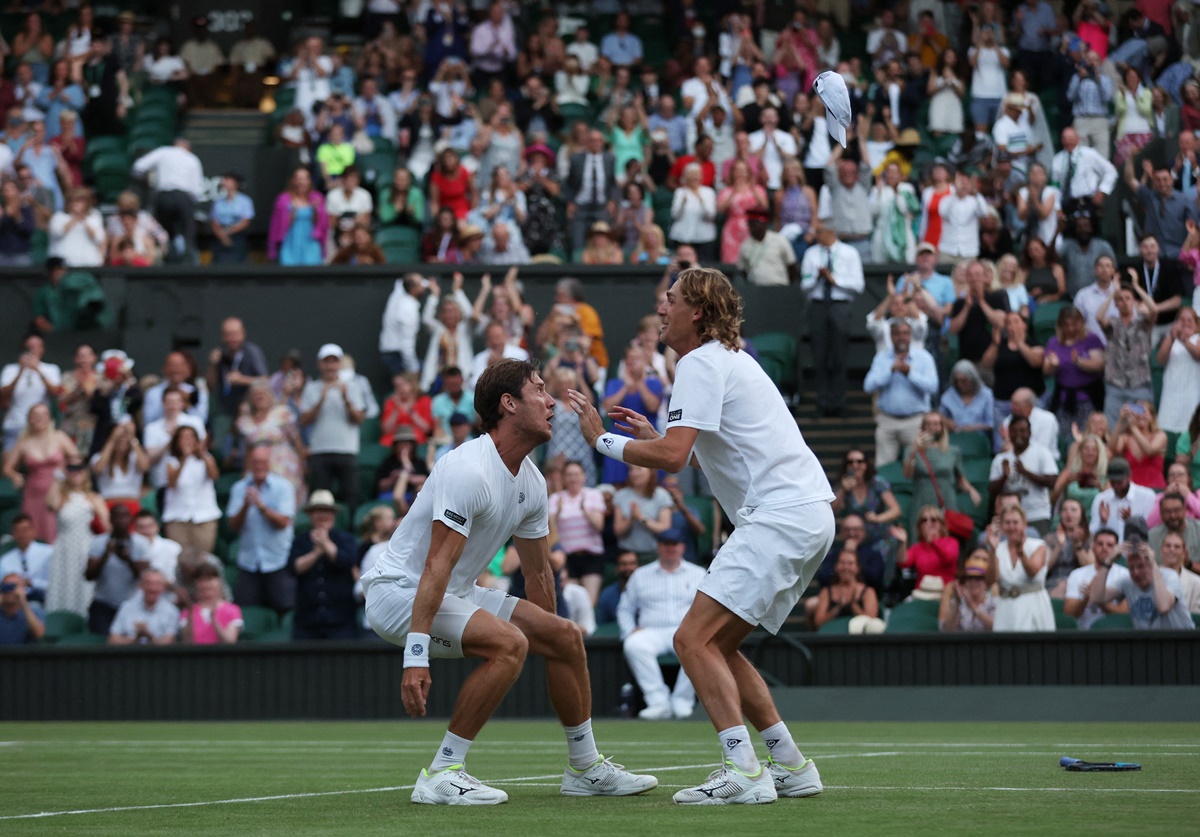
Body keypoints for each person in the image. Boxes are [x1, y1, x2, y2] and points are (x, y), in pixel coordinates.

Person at [569, 267, 833, 804]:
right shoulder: (721, 362)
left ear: (698, 313)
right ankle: (790, 765)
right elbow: (681, 452)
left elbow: (669, 459)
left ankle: (744, 771)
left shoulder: (698, 362)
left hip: (778, 516)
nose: (661, 310)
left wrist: (601, 442)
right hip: (805, 515)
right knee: (720, 646)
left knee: (690, 640)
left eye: (670, 301)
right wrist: (654, 435)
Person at [362, 359, 657, 803]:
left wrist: (552, 642)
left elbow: (538, 573)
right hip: (400, 595)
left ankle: (585, 769)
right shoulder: (468, 469)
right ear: (509, 404)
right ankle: (441, 773)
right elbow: (435, 567)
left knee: (566, 635)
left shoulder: (534, 483)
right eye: (540, 390)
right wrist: (415, 656)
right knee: (508, 642)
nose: (552, 400)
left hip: (452, 593)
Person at [618, 524, 706, 719]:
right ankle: (657, 702)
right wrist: (629, 630)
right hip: (651, 631)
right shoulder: (640, 575)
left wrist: (699, 629)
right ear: (658, 546)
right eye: (666, 544)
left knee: (699, 647)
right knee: (633, 644)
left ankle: (683, 700)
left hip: (686, 630)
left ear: (682, 547)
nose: (670, 548)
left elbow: (706, 608)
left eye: (675, 544)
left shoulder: (698, 573)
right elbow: (625, 608)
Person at [801, 222, 864, 419]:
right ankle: (821, 403)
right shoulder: (811, 253)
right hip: (818, 305)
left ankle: (838, 403)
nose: (816, 235)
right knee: (819, 356)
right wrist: (819, 279)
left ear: (831, 231)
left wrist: (835, 280)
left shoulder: (849, 253)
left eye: (819, 231)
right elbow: (804, 284)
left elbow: (858, 285)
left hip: (840, 305)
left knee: (839, 355)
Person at [228, 442, 297, 614]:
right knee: (245, 613)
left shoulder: (284, 487)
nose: (259, 466)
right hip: (249, 561)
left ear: (270, 463)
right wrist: (245, 506)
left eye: (263, 461)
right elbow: (233, 526)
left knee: (285, 609)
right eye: (255, 461)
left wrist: (260, 505)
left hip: (278, 560)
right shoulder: (239, 488)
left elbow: (283, 522)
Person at [864, 321, 939, 467]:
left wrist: (910, 373)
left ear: (910, 336)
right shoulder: (882, 358)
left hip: (915, 421)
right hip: (887, 421)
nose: (901, 337)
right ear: (891, 337)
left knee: (917, 466)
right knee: (884, 468)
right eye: (897, 334)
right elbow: (868, 386)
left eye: (905, 333)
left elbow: (933, 387)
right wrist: (890, 371)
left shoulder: (924, 357)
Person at [299, 344, 365, 510]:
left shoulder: (353, 387)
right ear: (319, 364)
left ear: (339, 364)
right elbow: (305, 420)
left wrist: (346, 399)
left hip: (346, 450)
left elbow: (358, 419)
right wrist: (320, 400)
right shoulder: (312, 388)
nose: (330, 366)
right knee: (320, 498)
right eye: (326, 362)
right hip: (320, 451)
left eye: (334, 362)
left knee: (350, 496)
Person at [1089, 529, 1195, 630]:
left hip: (1181, 642)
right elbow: (1095, 598)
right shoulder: (1127, 581)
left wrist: (1153, 563)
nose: (1136, 572)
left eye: (1140, 566)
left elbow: (1164, 606)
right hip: (1148, 644)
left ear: (1150, 564)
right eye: (1131, 568)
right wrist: (1108, 561)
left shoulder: (1169, 576)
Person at [3, 402, 78, 542]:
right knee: (34, 534)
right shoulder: (24, 441)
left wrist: (63, 472)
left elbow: (76, 459)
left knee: (56, 532)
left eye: (44, 414)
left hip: (58, 491)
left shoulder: (59, 436)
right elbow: (7, 467)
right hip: (33, 494)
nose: (40, 418)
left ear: (49, 418)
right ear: (29, 418)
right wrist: (15, 475)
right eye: (35, 415)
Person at [288, 490, 358, 640]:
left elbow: (347, 562)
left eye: (327, 510)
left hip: (341, 621)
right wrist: (317, 552)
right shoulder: (301, 541)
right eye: (318, 510)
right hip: (307, 622)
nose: (323, 515)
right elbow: (294, 568)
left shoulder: (345, 539)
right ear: (311, 514)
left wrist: (326, 543)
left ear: (333, 514)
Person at [904, 412, 980, 532]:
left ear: (942, 427)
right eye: (928, 424)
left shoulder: (953, 451)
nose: (932, 428)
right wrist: (914, 449)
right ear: (922, 427)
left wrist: (971, 490)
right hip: (922, 501)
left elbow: (960, 479)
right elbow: (907, 474)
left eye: (935, 424)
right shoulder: (912, 450)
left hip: (946, 501)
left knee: (947, 540)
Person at [131, 139, 204, 263]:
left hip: (163, 198)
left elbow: (138, 167)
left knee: (162, 232)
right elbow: (197, 191)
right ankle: (189, 262)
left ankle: (164, 260)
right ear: (188, 148)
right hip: (183, 198)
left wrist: (145, 182)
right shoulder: (193, 159)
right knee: (188, 231)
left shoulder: (164, 152)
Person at [1098, 277, 1158, 427]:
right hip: (1115, 387)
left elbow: (1154, 310)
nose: (1124, 302)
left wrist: (1136, 287)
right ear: (1116, 304)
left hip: (1140, 387)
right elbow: (1099, 317)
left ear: (1134, 302)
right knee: (1113, 430)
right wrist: (1113, 293)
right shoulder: (1112, 324)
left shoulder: (1143, 324)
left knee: (1142, 429)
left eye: (1128, 298)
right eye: (1120, 299)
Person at [84, 503, 150, 635]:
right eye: (117, 516)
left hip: (131, 604)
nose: (121, 520)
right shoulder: (98, 542)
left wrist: (129, 560)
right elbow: (88, 576)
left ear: (130, 519)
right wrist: (105, 555)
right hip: (103, 603)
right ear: (110, 519)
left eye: (124, 516)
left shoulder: (141, 543)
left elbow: (143, 577)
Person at [987, 503, 1053, 631]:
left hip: (1034, 605)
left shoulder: (1038, 546)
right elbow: (991, 579)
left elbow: (1032, 572)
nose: (1011, 527)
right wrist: (992, 550)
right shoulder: (998, 549)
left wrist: (1021, 552)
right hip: (1006, 608)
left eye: (1015, 522)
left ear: (1024, 523)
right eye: (1007, 522)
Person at [549, 460, 606, 605]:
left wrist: (585, 510)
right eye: (569, 475)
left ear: (584, 476)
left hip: (591, 555)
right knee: (571, 601)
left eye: (576, 474)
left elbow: (599, 525)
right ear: (563, 478)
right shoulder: (556, 499)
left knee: (589, 603)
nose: (573, 478)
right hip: (567, 557)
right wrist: (558, 512)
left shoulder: (593, 494)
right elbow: (550, 530)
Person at [988, 416, 1058, 534]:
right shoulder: (1001, 459)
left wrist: (1025, 472)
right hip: (1009, 517)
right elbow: (992, 490)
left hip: (1036, 514)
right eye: (1014, 431)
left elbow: (1052, 481)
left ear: (1030, 433)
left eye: (1022, 430)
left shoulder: (1042, 453)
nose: (1018, 434)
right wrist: (1004, 477)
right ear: (1009, 433)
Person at [162, 425, 221, 552]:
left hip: (204, 517)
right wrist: (184, 459)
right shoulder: (171, 461)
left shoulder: (206, 459)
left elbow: (214, 475)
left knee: (202, 558)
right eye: (183, 437)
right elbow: (172, 483)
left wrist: (203, 453)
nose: (187, 441)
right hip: (177, 517)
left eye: (190, 437)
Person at [1063, 527, 1128, 630]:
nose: (1104, 548)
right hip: (1084, 634)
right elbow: (1069, 614)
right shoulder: (1077, 574)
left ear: (1117, 549)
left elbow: (1124, 614)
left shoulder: (1125, 575)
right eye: (1100, 544)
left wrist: (1099, 599)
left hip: (1115, 634)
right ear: (1093, 547)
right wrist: (1085, 599)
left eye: (1110, 545)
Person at [207, 317, 269, 420]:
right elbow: (210, 386)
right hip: (224, 410)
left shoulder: (252, 352)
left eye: (235, 334)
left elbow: (265, 381)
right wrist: (213, 365)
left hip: (248, 410)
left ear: (243, 334)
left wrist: (242, 380)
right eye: (228, 335)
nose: (232, 339)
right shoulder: (221, 353)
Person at [267, 167, 329, 267]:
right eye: (299, 178)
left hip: (310, 242)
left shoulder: (317, 198)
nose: (301, 182)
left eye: (305, 179)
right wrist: (292, 214)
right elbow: (277, 226)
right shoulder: (283, 200)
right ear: (293, 180)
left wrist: (315, 211)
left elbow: (322, 225)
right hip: (290, 242)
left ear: (309, 181)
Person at [612, 465, 674, 564]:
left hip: (653, 553)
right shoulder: (620, 496)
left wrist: (642, 518)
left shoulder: (662, 495)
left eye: (638, 469)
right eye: (631, 470)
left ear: (651, 472)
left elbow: (665, 528)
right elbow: (618, 531)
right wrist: (631, 517)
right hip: (627, 554)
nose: (634, 473)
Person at [1088, 457, 1157, 541]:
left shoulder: (1147, 496)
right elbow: (1092, 533)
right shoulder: (1101, 499)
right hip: (1109, 551)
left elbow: (1152, 531)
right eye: (1113, 482)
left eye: (1119, 482)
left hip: (1137, 550)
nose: (1116, 485)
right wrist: (1102, 522)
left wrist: (1132, 521)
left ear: (1129, 477)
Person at [108, 569, 179, 645]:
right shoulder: (127, 607)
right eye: (148, 583)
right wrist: (135, 639)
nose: (152, 588)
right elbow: (112, 640)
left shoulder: (171, 611)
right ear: (141, 585)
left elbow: (169, 643)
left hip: (158, 656)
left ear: (163, 588)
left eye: (157, 584)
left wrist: (149, 636)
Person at [938, 549, 996, 632]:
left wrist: (974, 607)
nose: (973, 582)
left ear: (986, 583)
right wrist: (957, 604)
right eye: (969, 578)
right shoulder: (958, 603)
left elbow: (998, 627)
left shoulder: (993, 602)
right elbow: (946, 630)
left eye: (978, 578)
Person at [0, 513, 52, 605]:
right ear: (13, 534)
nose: (21, 534)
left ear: (33, 531)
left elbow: (55, 585)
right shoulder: (5, 560)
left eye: (25, 530)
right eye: (17, 531)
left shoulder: (49, 553)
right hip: (15, 602)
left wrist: (32, 583)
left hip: (44, 599)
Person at [738, 209, 797, 287]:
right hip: (756, 290)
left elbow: (792, 266)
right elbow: (743, 270)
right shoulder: (745, 245)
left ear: (765, 224)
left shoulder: (779, 240)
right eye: (752, 224)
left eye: (759, 223)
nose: (757, 227)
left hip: (779, 287)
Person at [939, 360, 995, 437]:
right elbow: (939, 416)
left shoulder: (986, 395)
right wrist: (946, 421)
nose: (960, 384)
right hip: (954, 437)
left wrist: (972, 428)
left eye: (964, 381)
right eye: (956, 381)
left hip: (979, 439)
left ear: (973, 379)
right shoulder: (948, 395)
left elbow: (991, 424)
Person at [1149, 492, 1200, 564]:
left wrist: (1188, 564)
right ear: (1161, 513)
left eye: (1177, 510)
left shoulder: (1198, 530)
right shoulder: (1152, 536)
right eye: (1167, 512)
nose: (1173, 516)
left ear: (1185, 510)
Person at [0, 573, 44, 645]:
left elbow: (40, 635)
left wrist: (24, 602)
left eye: (14, 586)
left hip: (23, 654)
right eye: (7, 586)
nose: (10, 591)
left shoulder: (34, 611)